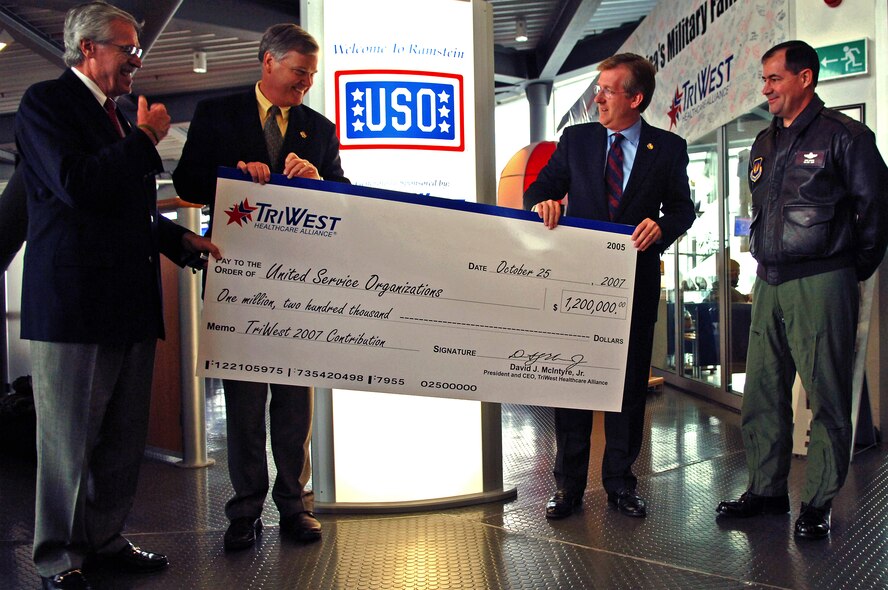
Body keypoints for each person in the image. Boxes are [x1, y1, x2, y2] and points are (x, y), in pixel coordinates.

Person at [13, 2, 221, 588]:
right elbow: (78, 187)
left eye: (136, 48)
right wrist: (147, 140)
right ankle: (57, 558)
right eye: (126, 47)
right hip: (74, 309)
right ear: (87, 49)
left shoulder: (119, 120)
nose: (137, 59)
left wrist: (180, 241)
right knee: (67, 444)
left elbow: (126, 209)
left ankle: (103, 540)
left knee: (122, 441)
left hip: (128, 304)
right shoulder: (46, 105)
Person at [173, 23, 349, 551]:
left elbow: (345, 195)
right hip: (237, 280)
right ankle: (244, 511)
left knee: (296, 403)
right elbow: (187, 183)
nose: (305, 85)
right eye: (299, 73)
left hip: (300, 286)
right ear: (268, 62)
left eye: (311, 76)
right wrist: (231, 175)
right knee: (244, 405)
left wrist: (319, 180)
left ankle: (295, 506)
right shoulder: (216, 114)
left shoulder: (319, 128)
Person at [716, 40, 888, 539]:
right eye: (764, 79)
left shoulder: (847, 137)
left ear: (805, 78)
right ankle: (767, 492)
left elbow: (876, 212)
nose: (765, 88)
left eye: (774, 78)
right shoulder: (765, 142)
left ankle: (817, 502)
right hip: (768, 281)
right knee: (763, 393)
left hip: (821, 280)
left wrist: (847, 270)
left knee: (828, 395)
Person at [524, 53, 695, 520]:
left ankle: (621, 484)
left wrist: (661, 228)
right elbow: (538, 188)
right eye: (597, 88)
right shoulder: (576, 140)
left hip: (635, 287)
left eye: (607, 89)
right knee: (572, 383)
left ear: (635, 98)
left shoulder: (669, 148)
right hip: (576, 286)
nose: (597, 97)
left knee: (627, 388)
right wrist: (544, 204)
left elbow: (683, 209)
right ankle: (569, 487)